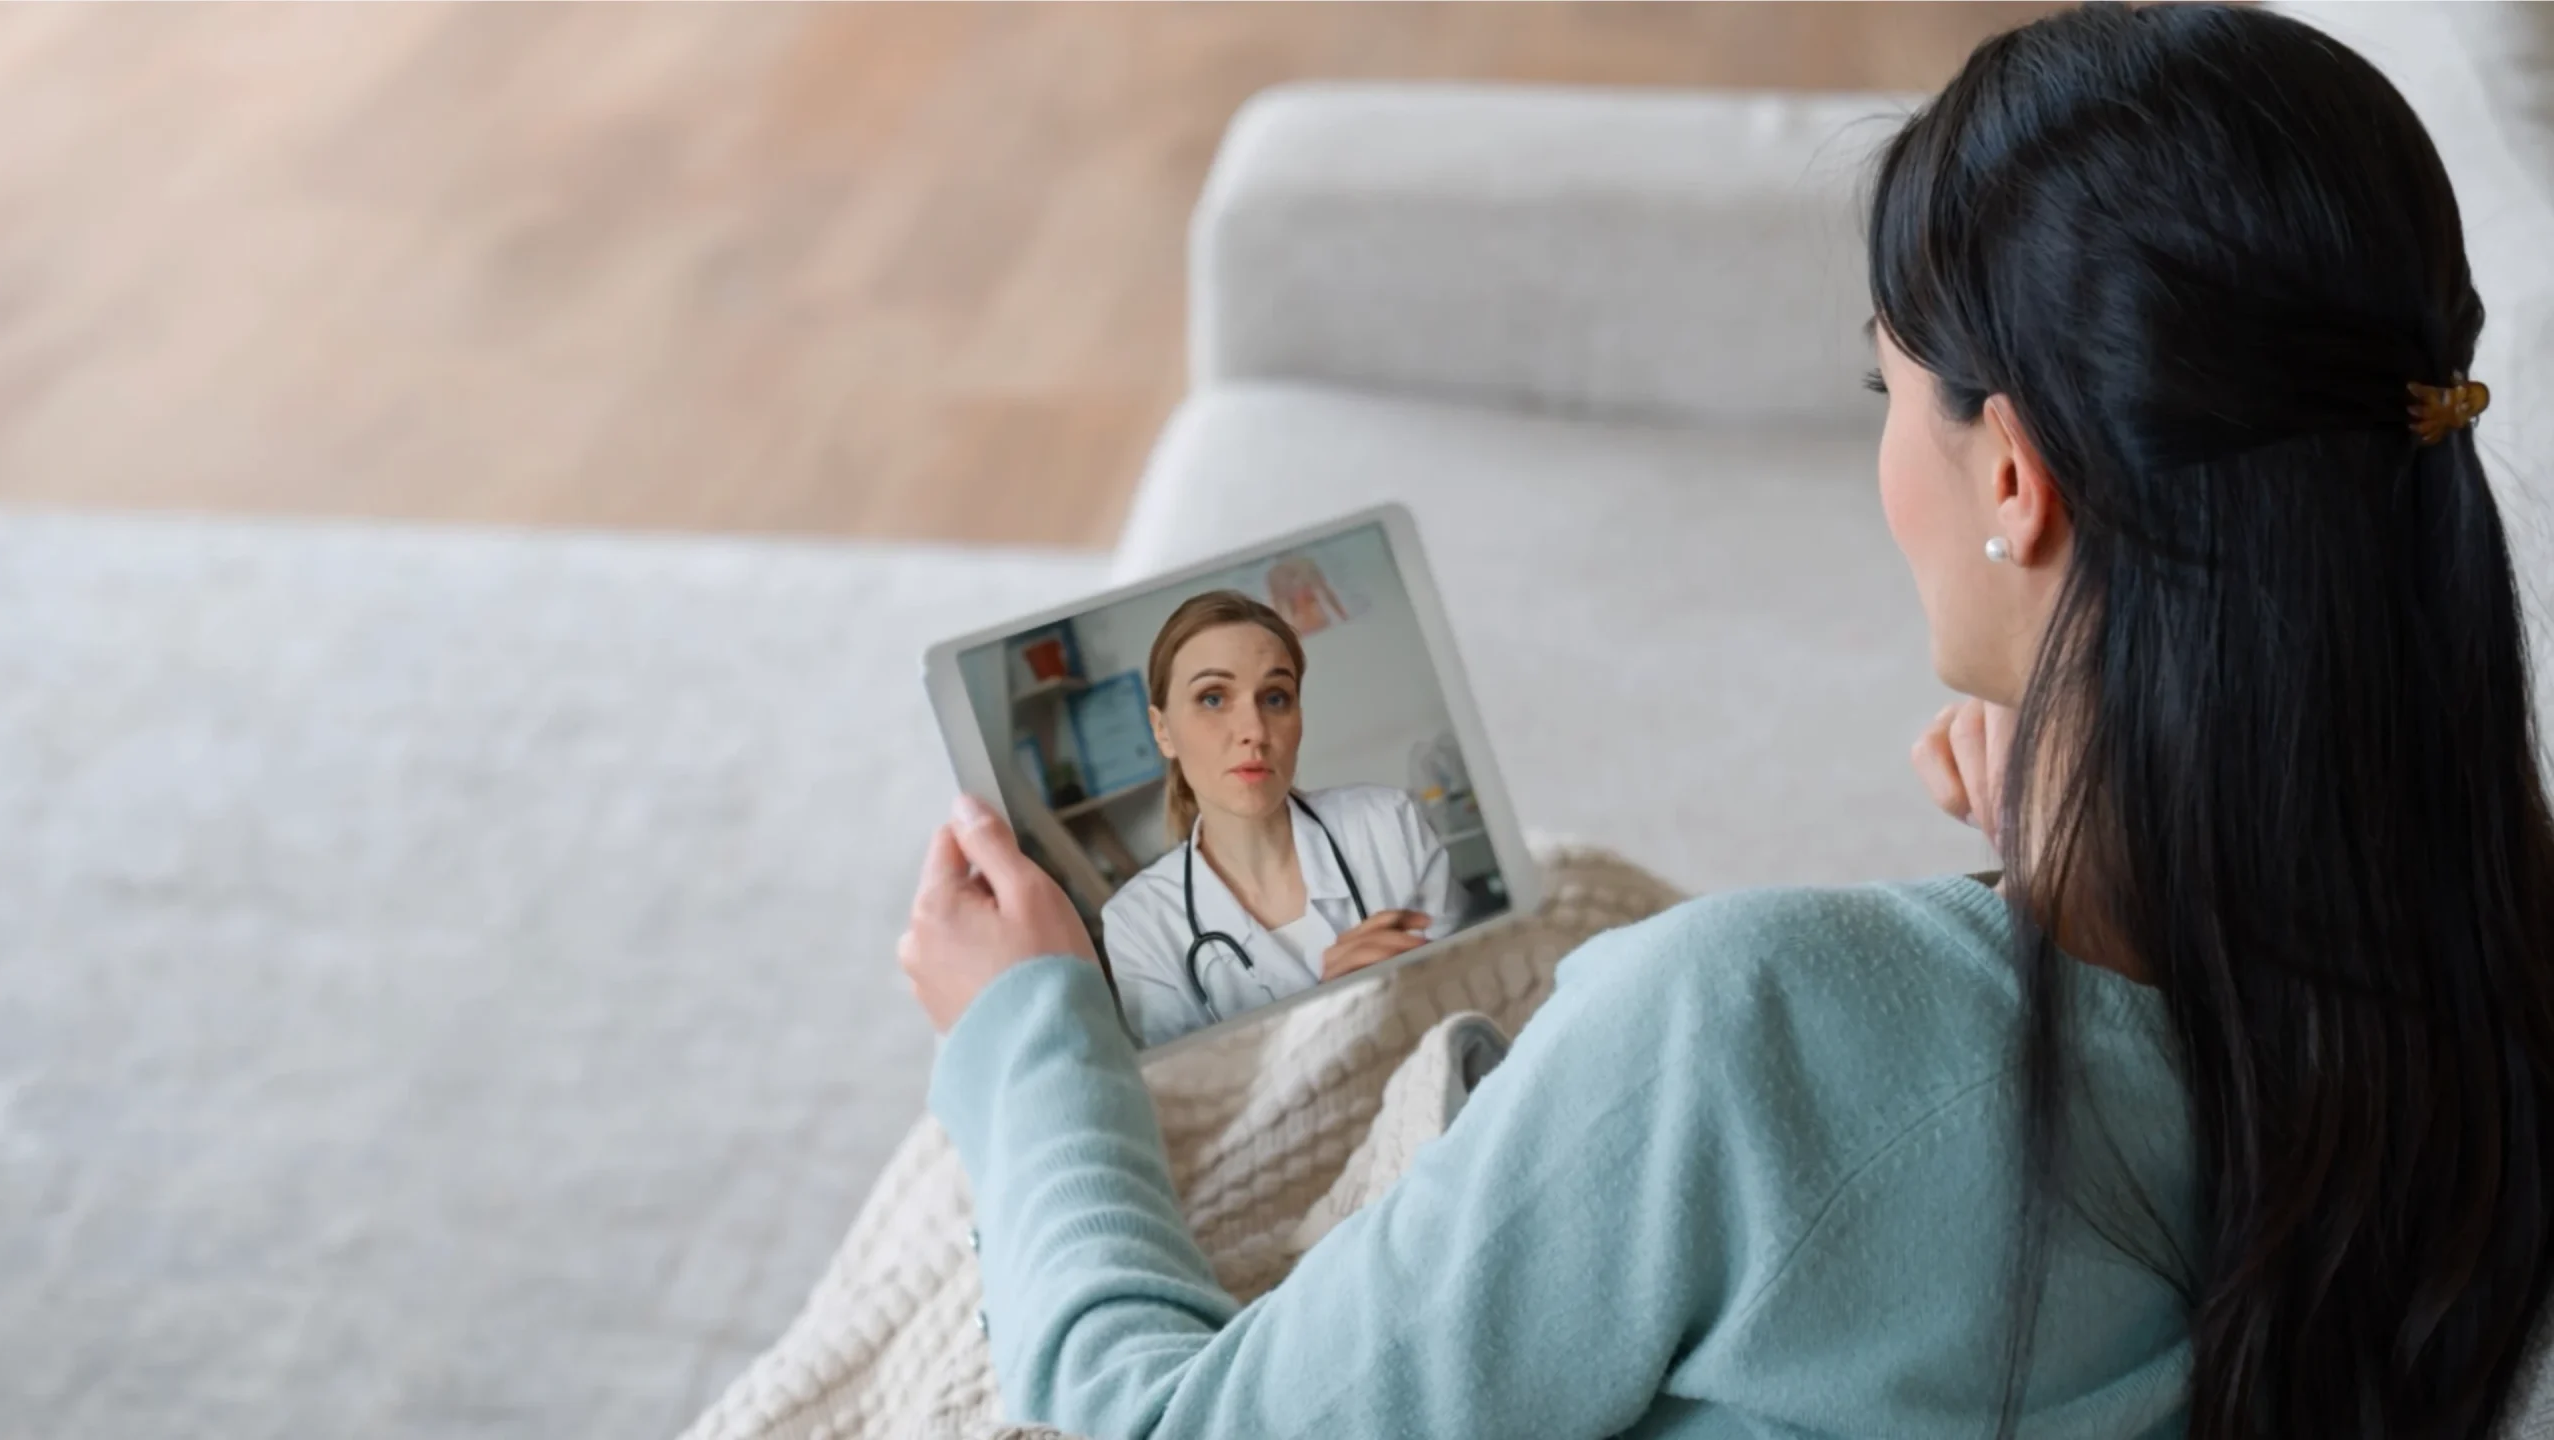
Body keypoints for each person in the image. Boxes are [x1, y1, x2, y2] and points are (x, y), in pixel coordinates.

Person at [894, 5, 2554, 1435]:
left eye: (1884, 391)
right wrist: (2079, 847)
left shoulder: (1748, 1034)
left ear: (2012, 479)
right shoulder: (2472, 992)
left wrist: (1028, 1041)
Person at [1096, 589, 1455, 1048]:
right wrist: (1333, 1011)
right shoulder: (1138, 923)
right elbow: (1193, 1096)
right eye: (1212, 698)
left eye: (1275, 697)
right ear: (1162, 730)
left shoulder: (1389, 824)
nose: (1255, 732)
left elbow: (1475, 985)